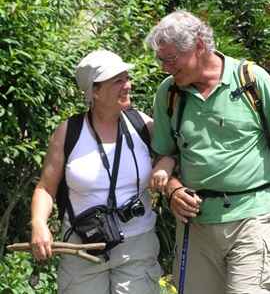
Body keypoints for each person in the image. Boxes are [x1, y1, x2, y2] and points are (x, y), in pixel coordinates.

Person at [145, 10, 270, 294]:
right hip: (196, 226)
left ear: (199, 46)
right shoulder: (169, 94)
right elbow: (164, 156)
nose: (165, 67)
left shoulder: (251, 80)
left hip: (251, 219)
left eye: (171, 59)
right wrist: (174, 190)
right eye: (161, 60)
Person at [30, 50, 172, 293]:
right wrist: (39, 224)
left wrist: (164, 166)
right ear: (95, 91)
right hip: (83, 247)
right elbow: (45, 187)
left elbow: (170, 151)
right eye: (118, 81)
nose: (128, 85)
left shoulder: (141, 125)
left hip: (137, 245)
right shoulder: (69, 132)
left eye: (127, 78)